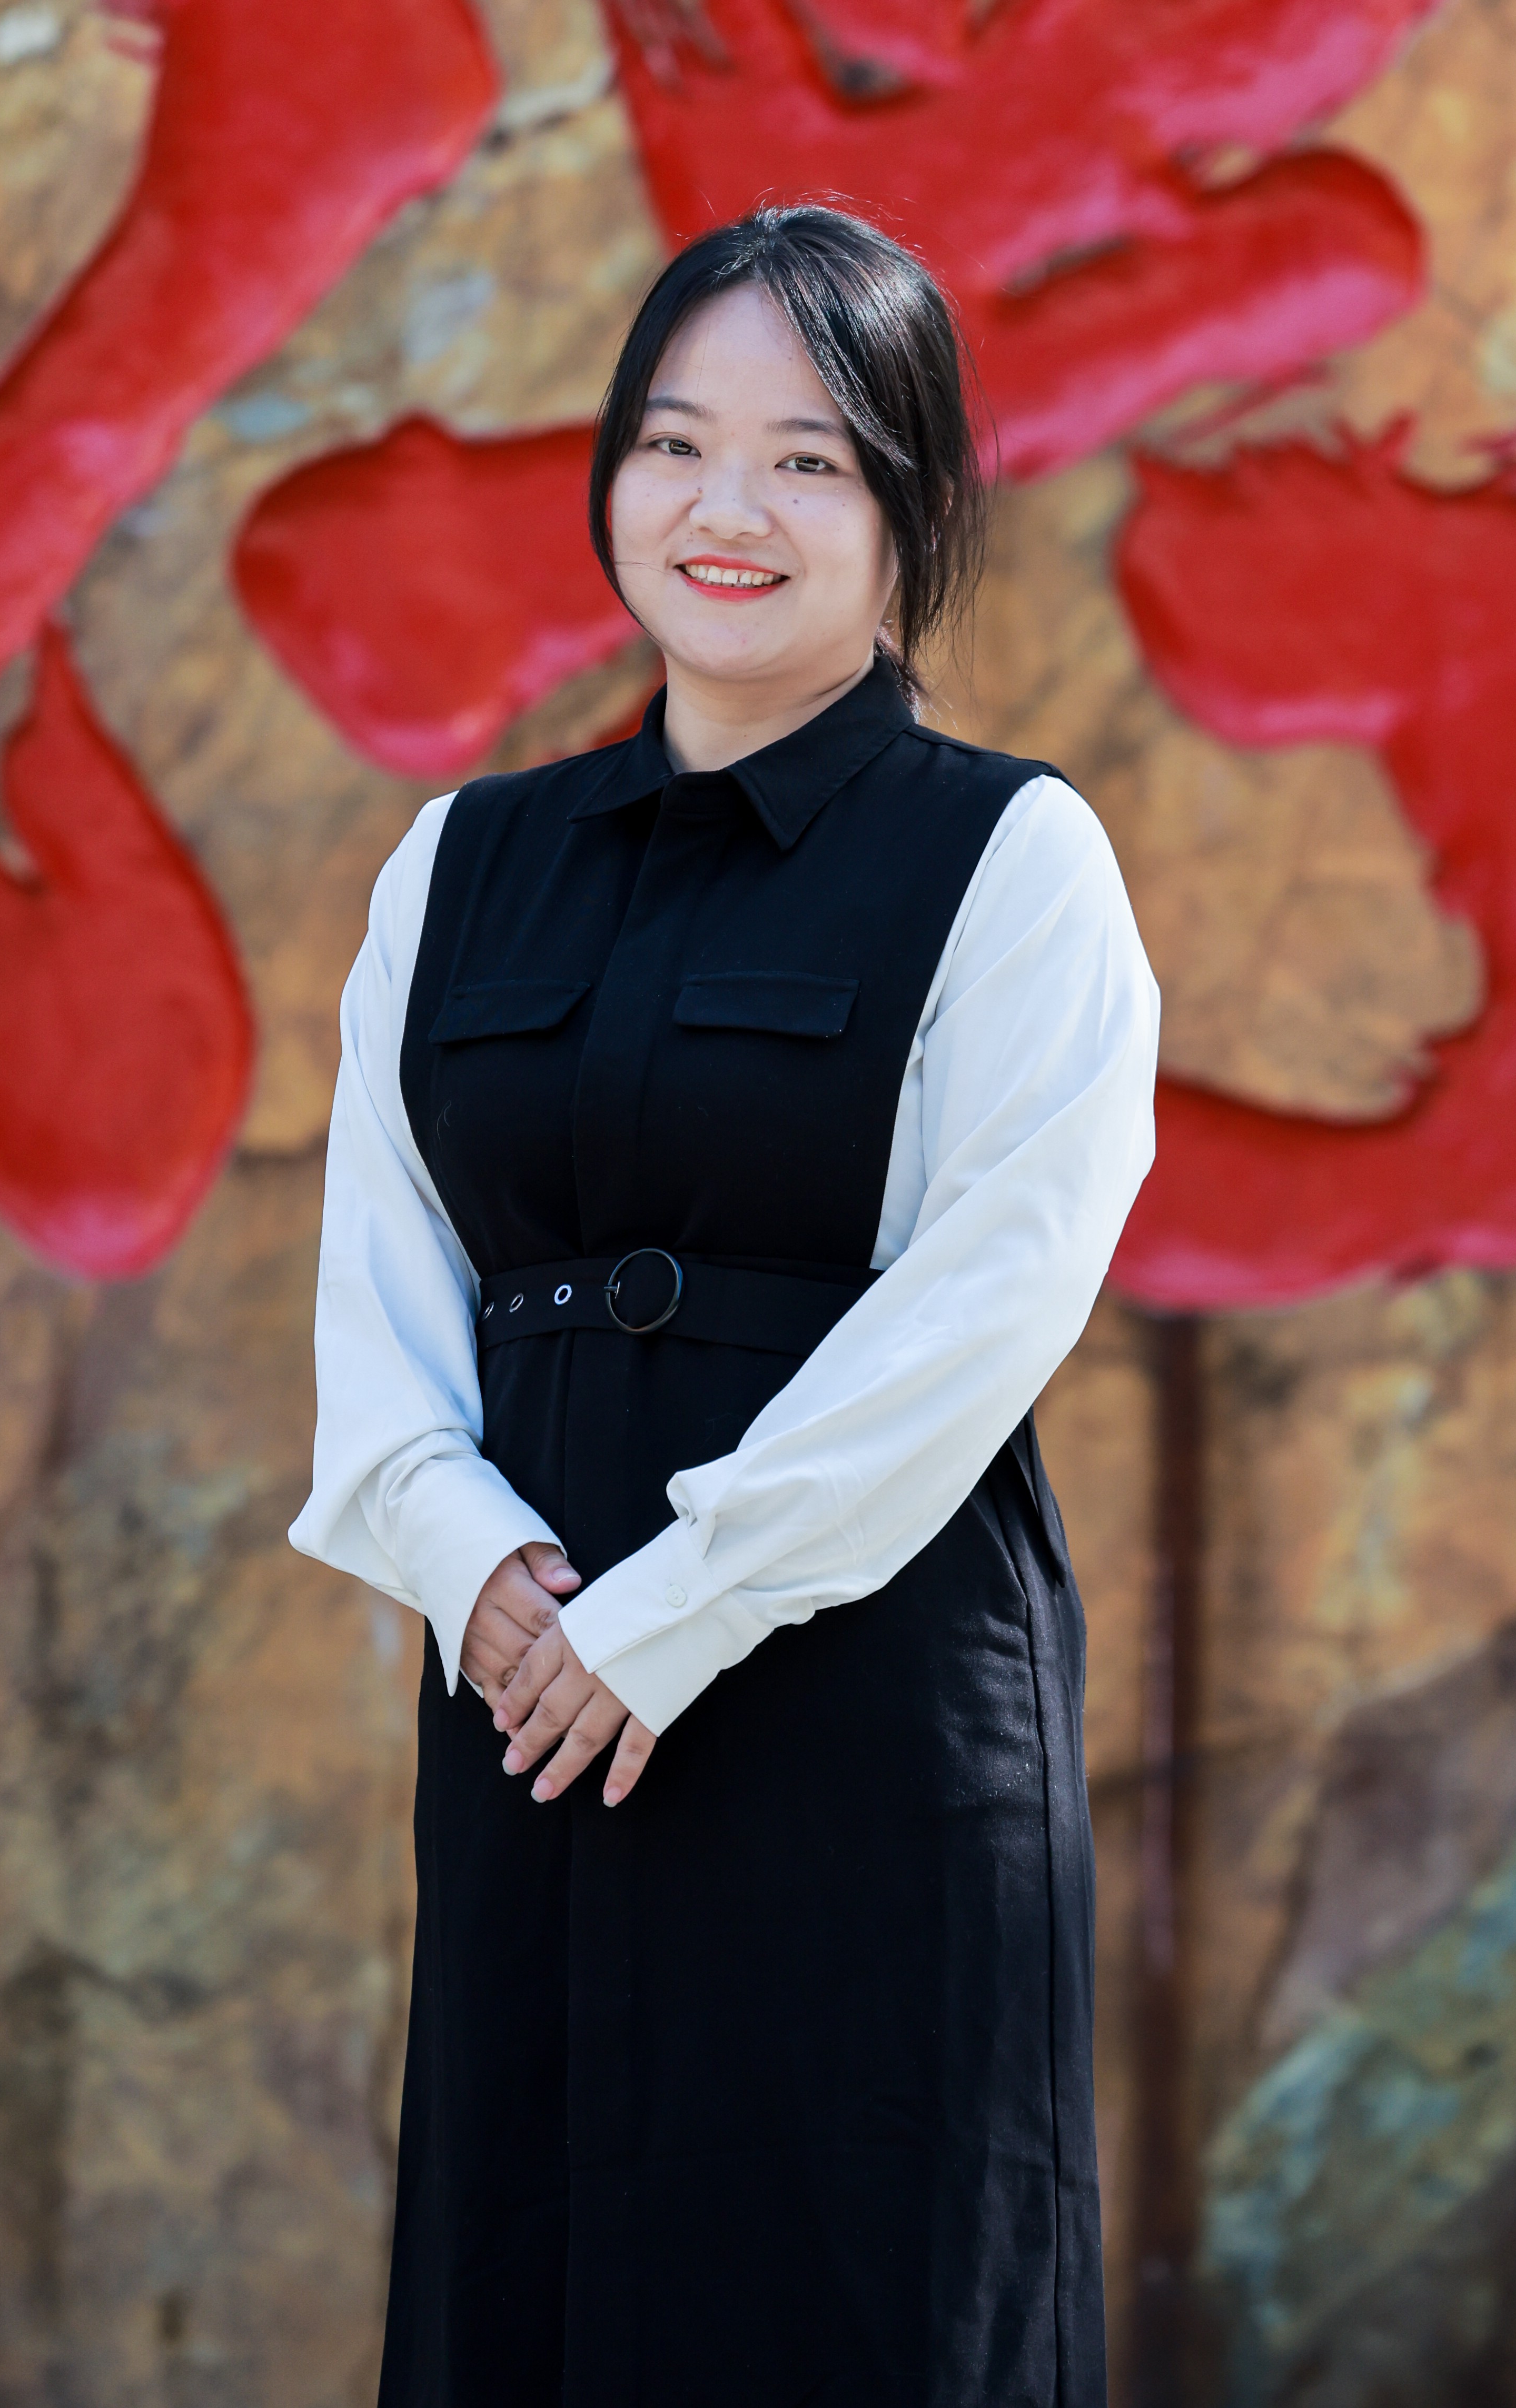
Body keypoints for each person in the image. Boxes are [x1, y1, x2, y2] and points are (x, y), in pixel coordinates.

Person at [290, 202, 1158, 2408]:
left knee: (859, 2301)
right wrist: (474, 1564)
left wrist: (670, 1612)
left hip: (860, 1711)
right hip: (532, 1705)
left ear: (912, 510)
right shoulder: (461, 864)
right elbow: (384, 1283)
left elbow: (993, 1293)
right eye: (674, 445)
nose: (725, 510)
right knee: (536, 2294)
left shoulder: (1009, 859)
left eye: (806, 459)